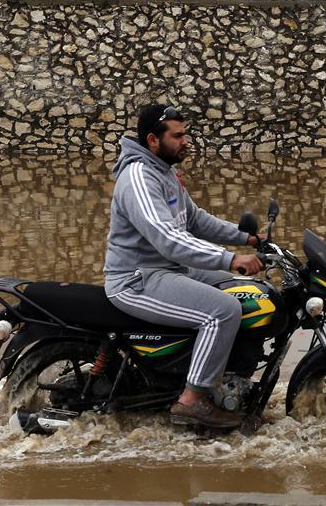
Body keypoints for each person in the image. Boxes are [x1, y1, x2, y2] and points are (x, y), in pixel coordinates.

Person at [103, 104, 263, 429]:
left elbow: (194, 219)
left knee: (240, 289)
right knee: (223, 311)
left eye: (185, 134)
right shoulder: (138, 177)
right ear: (152, 139)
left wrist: (246, 238)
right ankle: (191, 401)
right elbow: (168, 238)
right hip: (137, 280)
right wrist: (230, 258)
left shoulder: (163, 171)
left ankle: (226, 373)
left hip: (168, 269)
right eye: (177, 136)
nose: (185, 141)